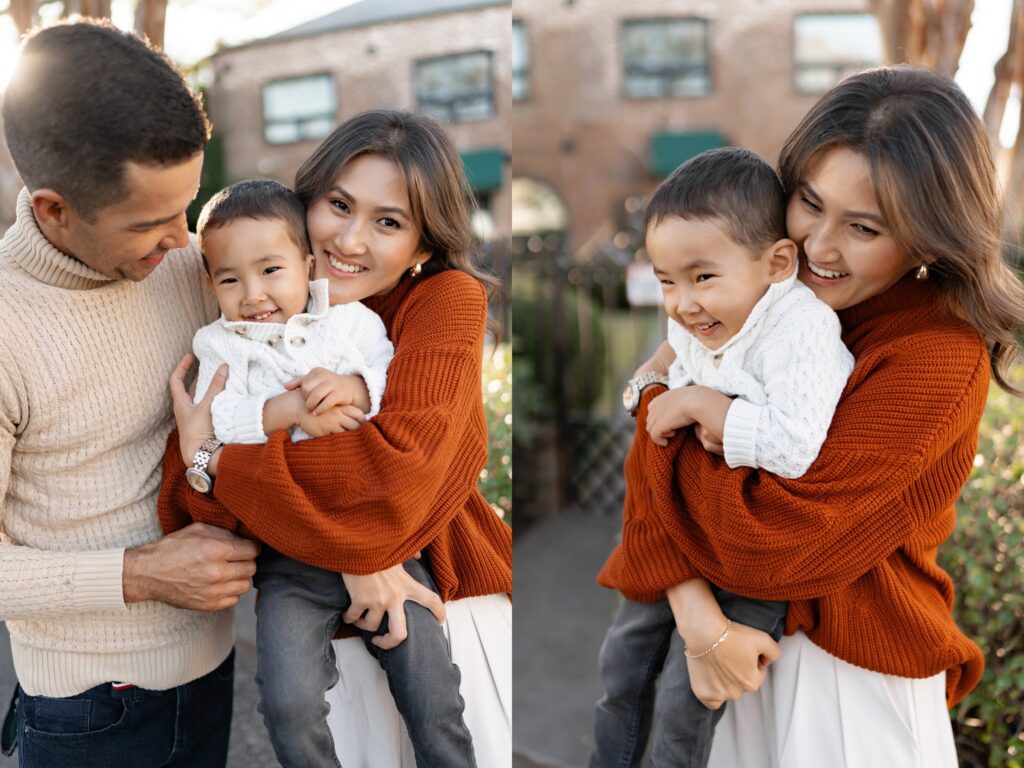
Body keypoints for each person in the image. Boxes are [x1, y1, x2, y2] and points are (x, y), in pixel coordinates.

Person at [598, 65, 1024, 768]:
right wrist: (695, 617)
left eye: (864, 227)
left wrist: (654, 401)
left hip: (845, 683)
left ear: (929, 233)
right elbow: (651, 465)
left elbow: (773, 541)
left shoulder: (935, 356)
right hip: (729, 658)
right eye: (809, 202)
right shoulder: (761, 303)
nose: (820, 248)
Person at [158, 109, 513, 767]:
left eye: (388, 222)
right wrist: (219, 462)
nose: (349, 240)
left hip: (431, 596)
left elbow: (394, 484)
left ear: (424, 245)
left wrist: (211, 453)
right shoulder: (247, 311)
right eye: (339, 205)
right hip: (314, 630)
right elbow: (192, 506)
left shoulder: (443, 299)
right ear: (305, 202)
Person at [0, 20, 260, 768]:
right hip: (88, 711)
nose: (183, 240)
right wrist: (141, 573)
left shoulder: (186, 268)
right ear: (54, 210)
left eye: (188, 205)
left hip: (213, 672)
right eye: (150, 222)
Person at [591, 148, 854, 768]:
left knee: (688, 705)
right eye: (665, 281)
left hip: (751, 559)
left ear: (777, 262)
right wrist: (660, 390)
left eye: (702, 276)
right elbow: (653, 408)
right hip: (681, 535)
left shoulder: (802, 330)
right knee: (621, 668)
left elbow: (793, 449)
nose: (681, 303)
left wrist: (706, 405)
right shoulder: (698, 322)